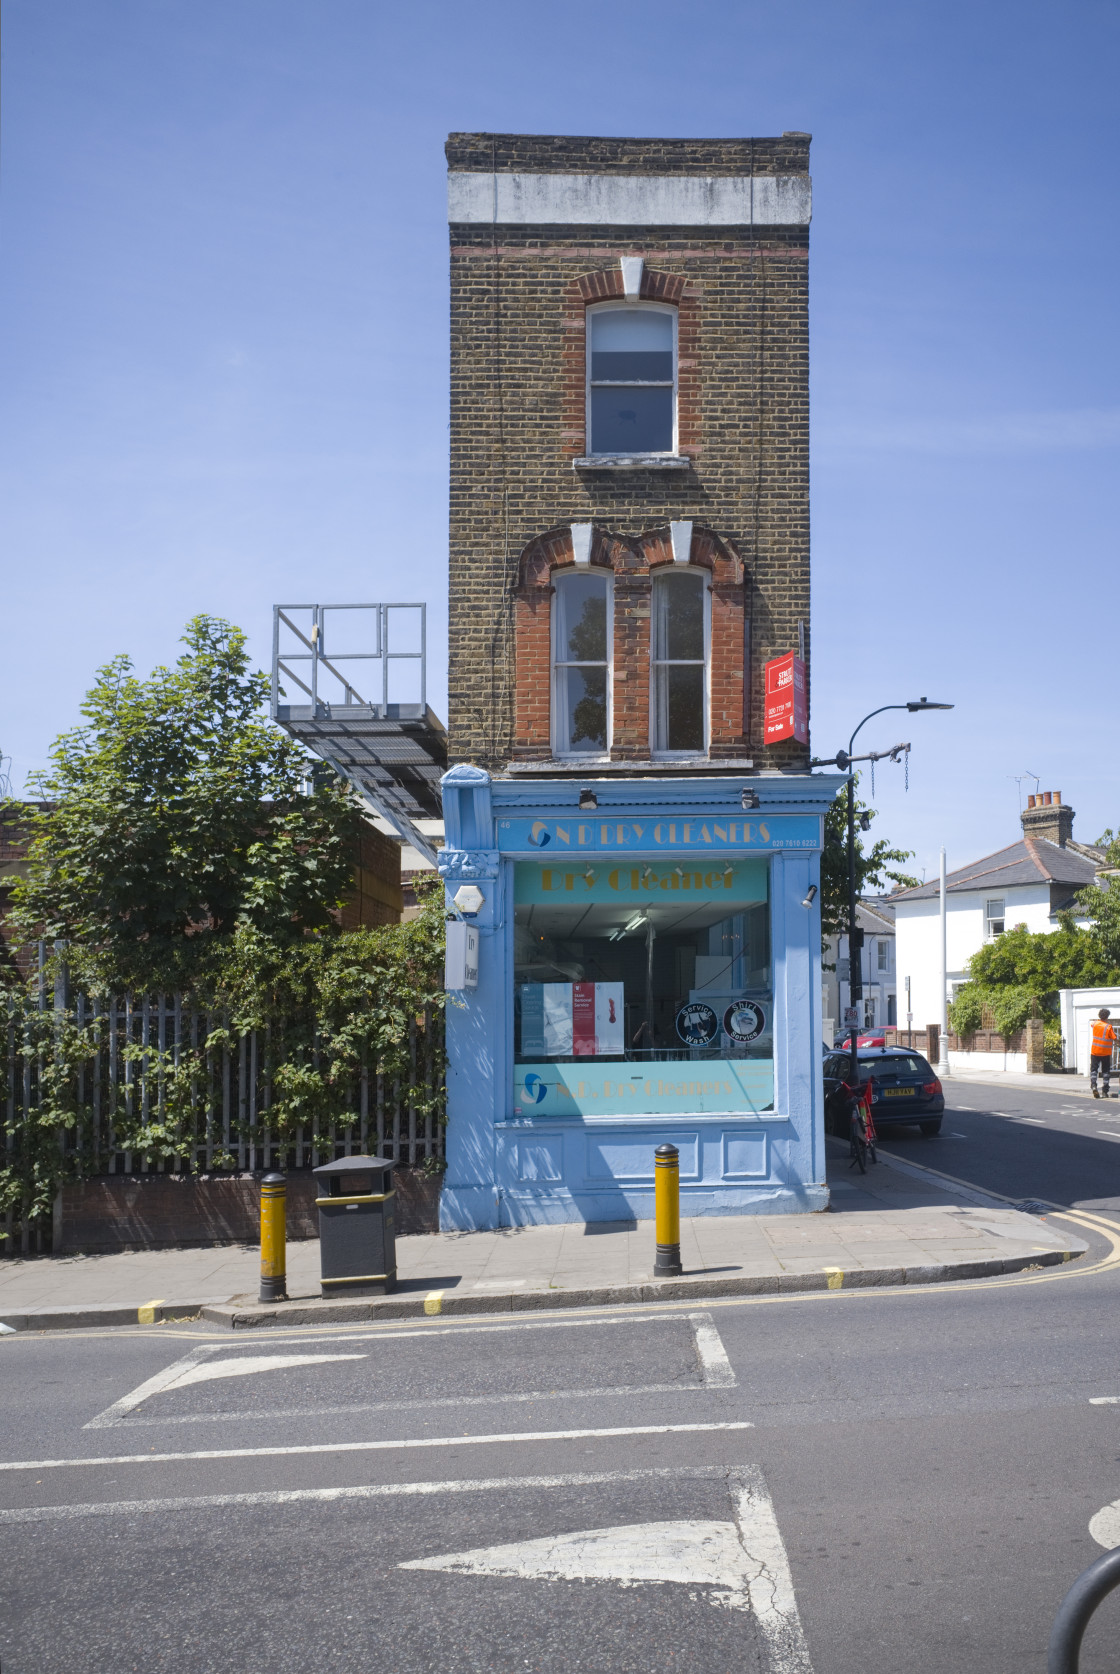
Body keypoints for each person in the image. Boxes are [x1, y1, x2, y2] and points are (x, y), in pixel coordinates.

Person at [1090, 1007, 1117, 1099]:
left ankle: (1093, 1085)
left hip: (1094, 1051)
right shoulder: (1108, 1027)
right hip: (1105, 1052)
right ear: (1108, 1016)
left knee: (1094, 1070)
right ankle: (1105, 1091)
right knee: (1106, 1072)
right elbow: (1114, 1038)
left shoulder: (1095, 1024)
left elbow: (1092, 1024)